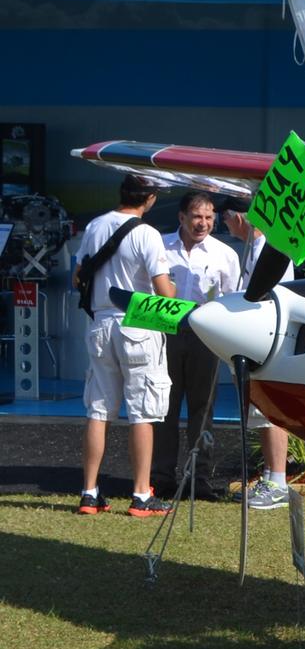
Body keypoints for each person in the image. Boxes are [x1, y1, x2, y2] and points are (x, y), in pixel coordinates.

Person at [74, 174, 177, 516]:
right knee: (142, 412)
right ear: (148, 199)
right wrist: (173, 287)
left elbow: (79, 276)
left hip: (101, 322)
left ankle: (89, 493)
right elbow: (164, 291)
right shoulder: (147, 233)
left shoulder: (95, 226)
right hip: (138, 323)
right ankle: (141, 495)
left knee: (98, 410)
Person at [154, 191, 241, 500]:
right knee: (164, 406)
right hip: (165, 334)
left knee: (203, 409)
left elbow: (231, 298)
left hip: (205, 337)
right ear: (181, 217)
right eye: (196, 217)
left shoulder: (224, 254)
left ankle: (199, 480)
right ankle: (161, 478)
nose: (203, 223)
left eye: (208, 217)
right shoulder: (160, 246)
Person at [222, 196, 296, 510]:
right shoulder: (253, 249)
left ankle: (277, 480)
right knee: (258, 414)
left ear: (235, 216)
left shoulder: (268, 250)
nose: (223, 225)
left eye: (224, 218)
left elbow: (270, 297)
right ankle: (270, 475)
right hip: (253, 341)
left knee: (268, 413)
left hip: (265, 341)